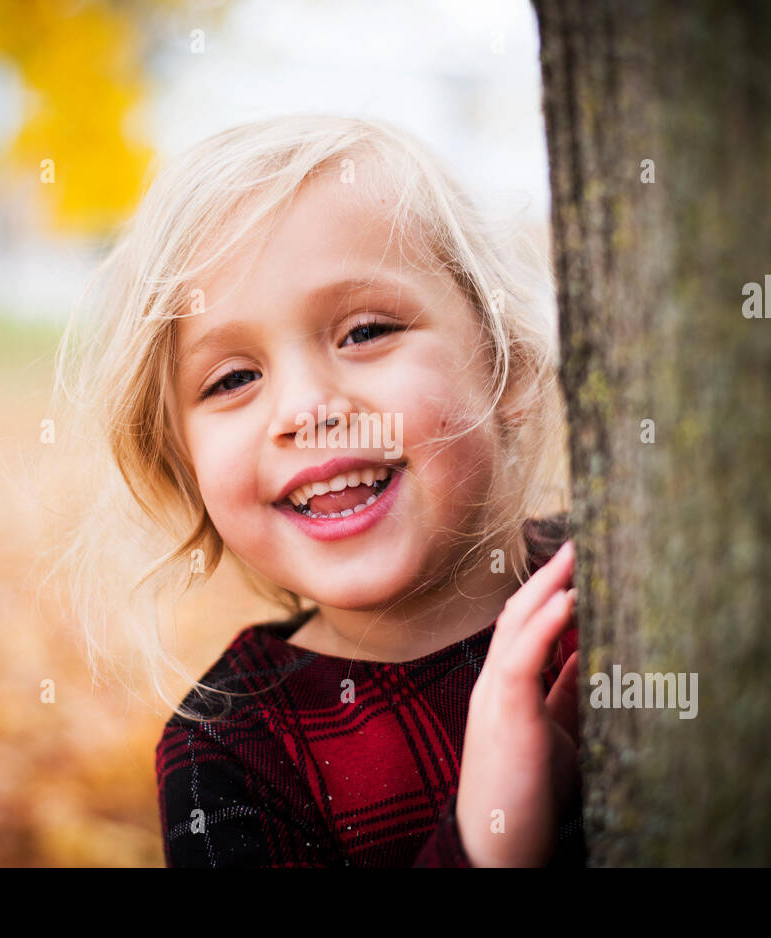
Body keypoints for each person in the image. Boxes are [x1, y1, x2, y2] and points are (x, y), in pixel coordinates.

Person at [53, 113, 582, 867]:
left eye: (366, 331)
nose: (306, 409)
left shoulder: (623, 575)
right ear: (187, 469)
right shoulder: (229, 751)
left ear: (511, 367)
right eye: (233, 378)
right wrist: (486, 845)